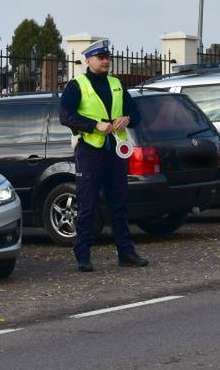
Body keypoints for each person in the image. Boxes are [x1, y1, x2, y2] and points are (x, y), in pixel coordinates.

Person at [59, 39, 149, 272]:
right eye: (101, 58)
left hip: (116, 150)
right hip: (90, 150)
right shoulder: (77, 85)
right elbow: (65, 116)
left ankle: (126, 252)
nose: (106, 61)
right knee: (88, 204)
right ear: (88, 61)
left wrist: (127, 119)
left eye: (107, 57)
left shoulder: (116, 84)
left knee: (119, 203)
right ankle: (83, 254)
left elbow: (135, 113)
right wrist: (93, 125)